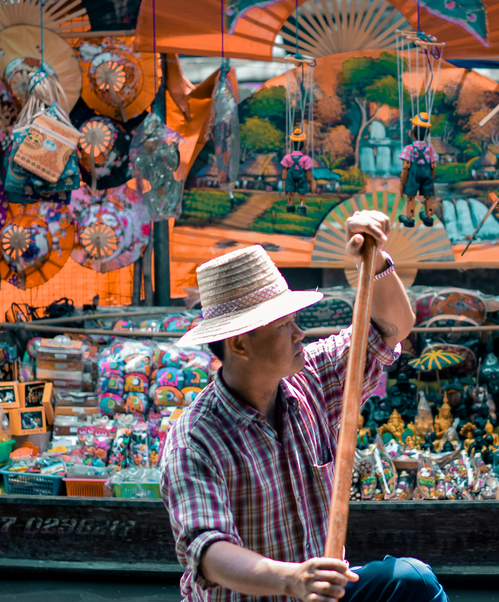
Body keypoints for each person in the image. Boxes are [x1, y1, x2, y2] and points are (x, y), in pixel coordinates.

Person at [162, 211, 448, 602]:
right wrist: (292, 579)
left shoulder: (312, 376)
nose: (300, 333)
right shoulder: (195, 438)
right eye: (284, 325)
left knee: (412, 581)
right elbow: (208, 551)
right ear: (240, 345)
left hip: (318, 593)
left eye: (296, 320)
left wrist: (375, 261)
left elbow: (392, 326)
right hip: (263, 596)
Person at [398, 113, 438, 228]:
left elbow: (406, 166)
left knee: (410, 196)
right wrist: (431, 181)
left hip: (413, 174)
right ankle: (428, 217)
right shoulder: (430, 148)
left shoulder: (409, 148)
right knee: (428, 196)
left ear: (412, 132)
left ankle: (409, 218)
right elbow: (433, 166)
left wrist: (402, 183)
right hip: (426, 173)